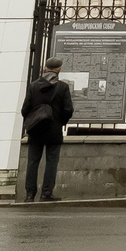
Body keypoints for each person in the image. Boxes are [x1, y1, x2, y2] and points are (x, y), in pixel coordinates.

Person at [21, 57, 74, 202]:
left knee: (32, 161)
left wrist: (32, 122)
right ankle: (46, 193)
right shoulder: (62, 87)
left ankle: (30, 194)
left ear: (45, 68)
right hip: (54, 130)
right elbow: (68, 110)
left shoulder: (33, 86)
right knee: (51, 162)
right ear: (59, 70)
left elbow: (25, 109)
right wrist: (60, 122)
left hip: (36, 130)